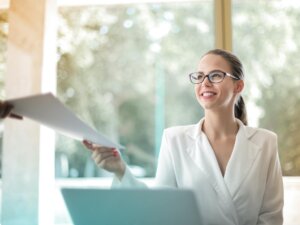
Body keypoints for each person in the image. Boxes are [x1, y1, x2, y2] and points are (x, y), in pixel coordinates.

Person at [83, 49, 284, 225]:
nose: (205, 82)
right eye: (199, 76)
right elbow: (160, 210)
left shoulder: (265, 142)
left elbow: (271, 216)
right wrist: (120, 170)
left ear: (238, 86)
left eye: (215, 75)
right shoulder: (174, 140)